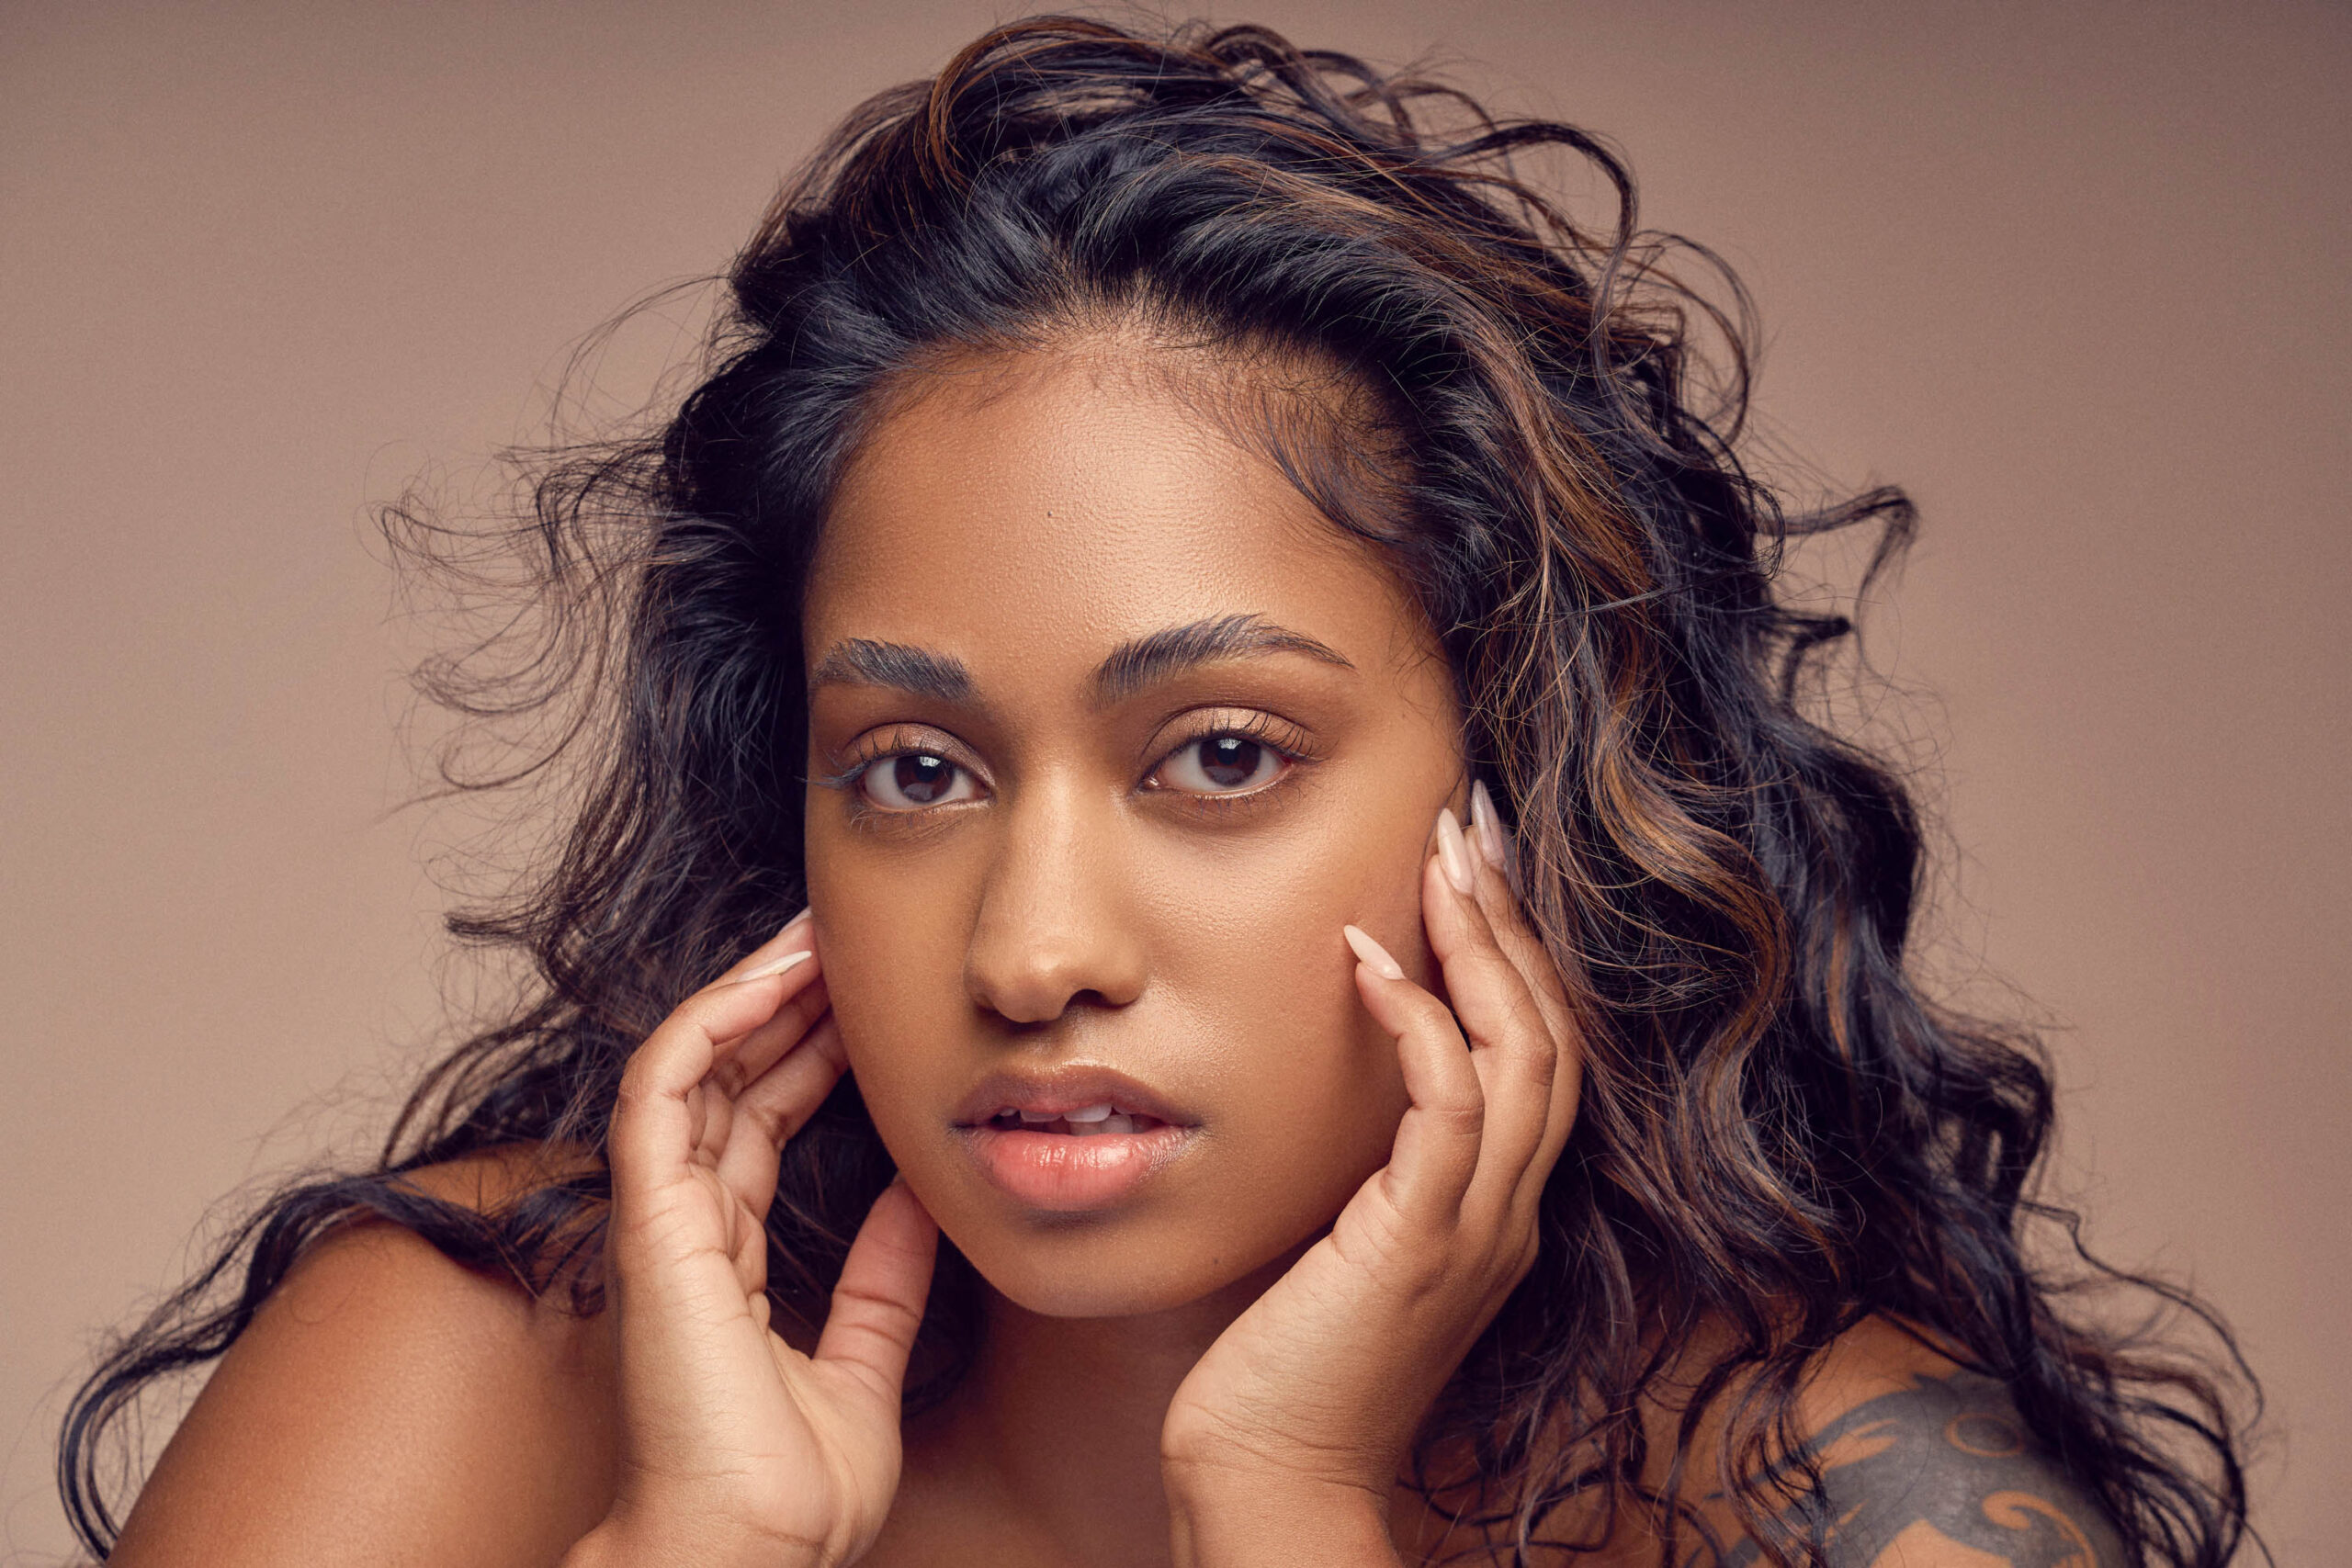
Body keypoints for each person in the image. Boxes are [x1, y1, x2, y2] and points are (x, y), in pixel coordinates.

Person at [61, 17, 2254, 1568]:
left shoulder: (1831, 1495)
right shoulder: (476, 1369)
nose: (1031, 950)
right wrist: (692, 1543)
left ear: (1524, 791)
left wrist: (1285, 1508)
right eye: (914, 768)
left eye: (1218, 755)